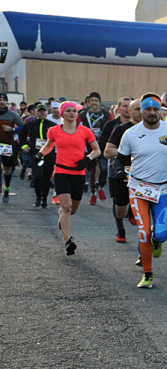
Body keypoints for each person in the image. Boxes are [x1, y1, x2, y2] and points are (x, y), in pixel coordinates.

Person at [115, 93, 167, 288]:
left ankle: (157, 237)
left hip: (162, 190)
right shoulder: (131, 133)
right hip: (138, 189)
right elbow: (119, 158)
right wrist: (119, 171)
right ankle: (147, 274)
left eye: (156, 110)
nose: (152, 113)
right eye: (148, 110)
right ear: (141, 112)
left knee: (159, 235)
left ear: (161, 112)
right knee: (143, 233)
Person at [35, 102, 100, 254]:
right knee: (66, 206)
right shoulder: (54, 130)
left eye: (74, 111)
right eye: (68, 111)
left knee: (73, 210)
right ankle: (67, 241)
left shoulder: (85, 131)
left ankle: (62, 217)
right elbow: (49, 146)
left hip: (78, 174)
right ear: (62, 114)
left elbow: (97, 150)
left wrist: (87, 159)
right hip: (61, 172)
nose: (72, 113)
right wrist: (40, 154)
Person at [100, 97, 134, 242]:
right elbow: (103, 146)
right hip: (116, 167)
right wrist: (125, 152)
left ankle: (132, 212)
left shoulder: (140, 126)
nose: (127, 109)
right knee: (117, 200)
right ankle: (120, 230)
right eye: (124, 106)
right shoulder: (112, 125)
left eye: (129, 106)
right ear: (118, 109)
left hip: (137, 168)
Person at [17, 103, 57, 208]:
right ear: (36, 112)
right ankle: (38, 198)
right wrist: (24, 146)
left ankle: (44, 199)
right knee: (38, 176)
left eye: (44, 111)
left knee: (47, 177)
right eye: (40, 111)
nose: (42, 112)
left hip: (49, 154)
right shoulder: (31, 124)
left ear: (47, 112)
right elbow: (21, 134)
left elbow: (60, 137)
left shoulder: (52, 125)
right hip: (35, 154)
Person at [79, 91, 110, 205]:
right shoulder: (82, 114)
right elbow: (75, 126)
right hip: (88, 146)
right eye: (91, 100)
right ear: (88, 102)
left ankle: (100, 188)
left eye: (96, 100)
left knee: (103, 170)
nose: (94, 102)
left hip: (102, 146)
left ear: (99, 102)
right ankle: (93, 194)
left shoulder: (106, 114)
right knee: (92, 170)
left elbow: (113, 127)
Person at [0, 92, 24, 202]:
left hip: (7, 146)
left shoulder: (13, 114)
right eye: (0, 99)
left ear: (6, 102)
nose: (1, 102)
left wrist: (13, 129)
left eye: (4, 99)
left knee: (7, 170)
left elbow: (23, 127)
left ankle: (7, 189)